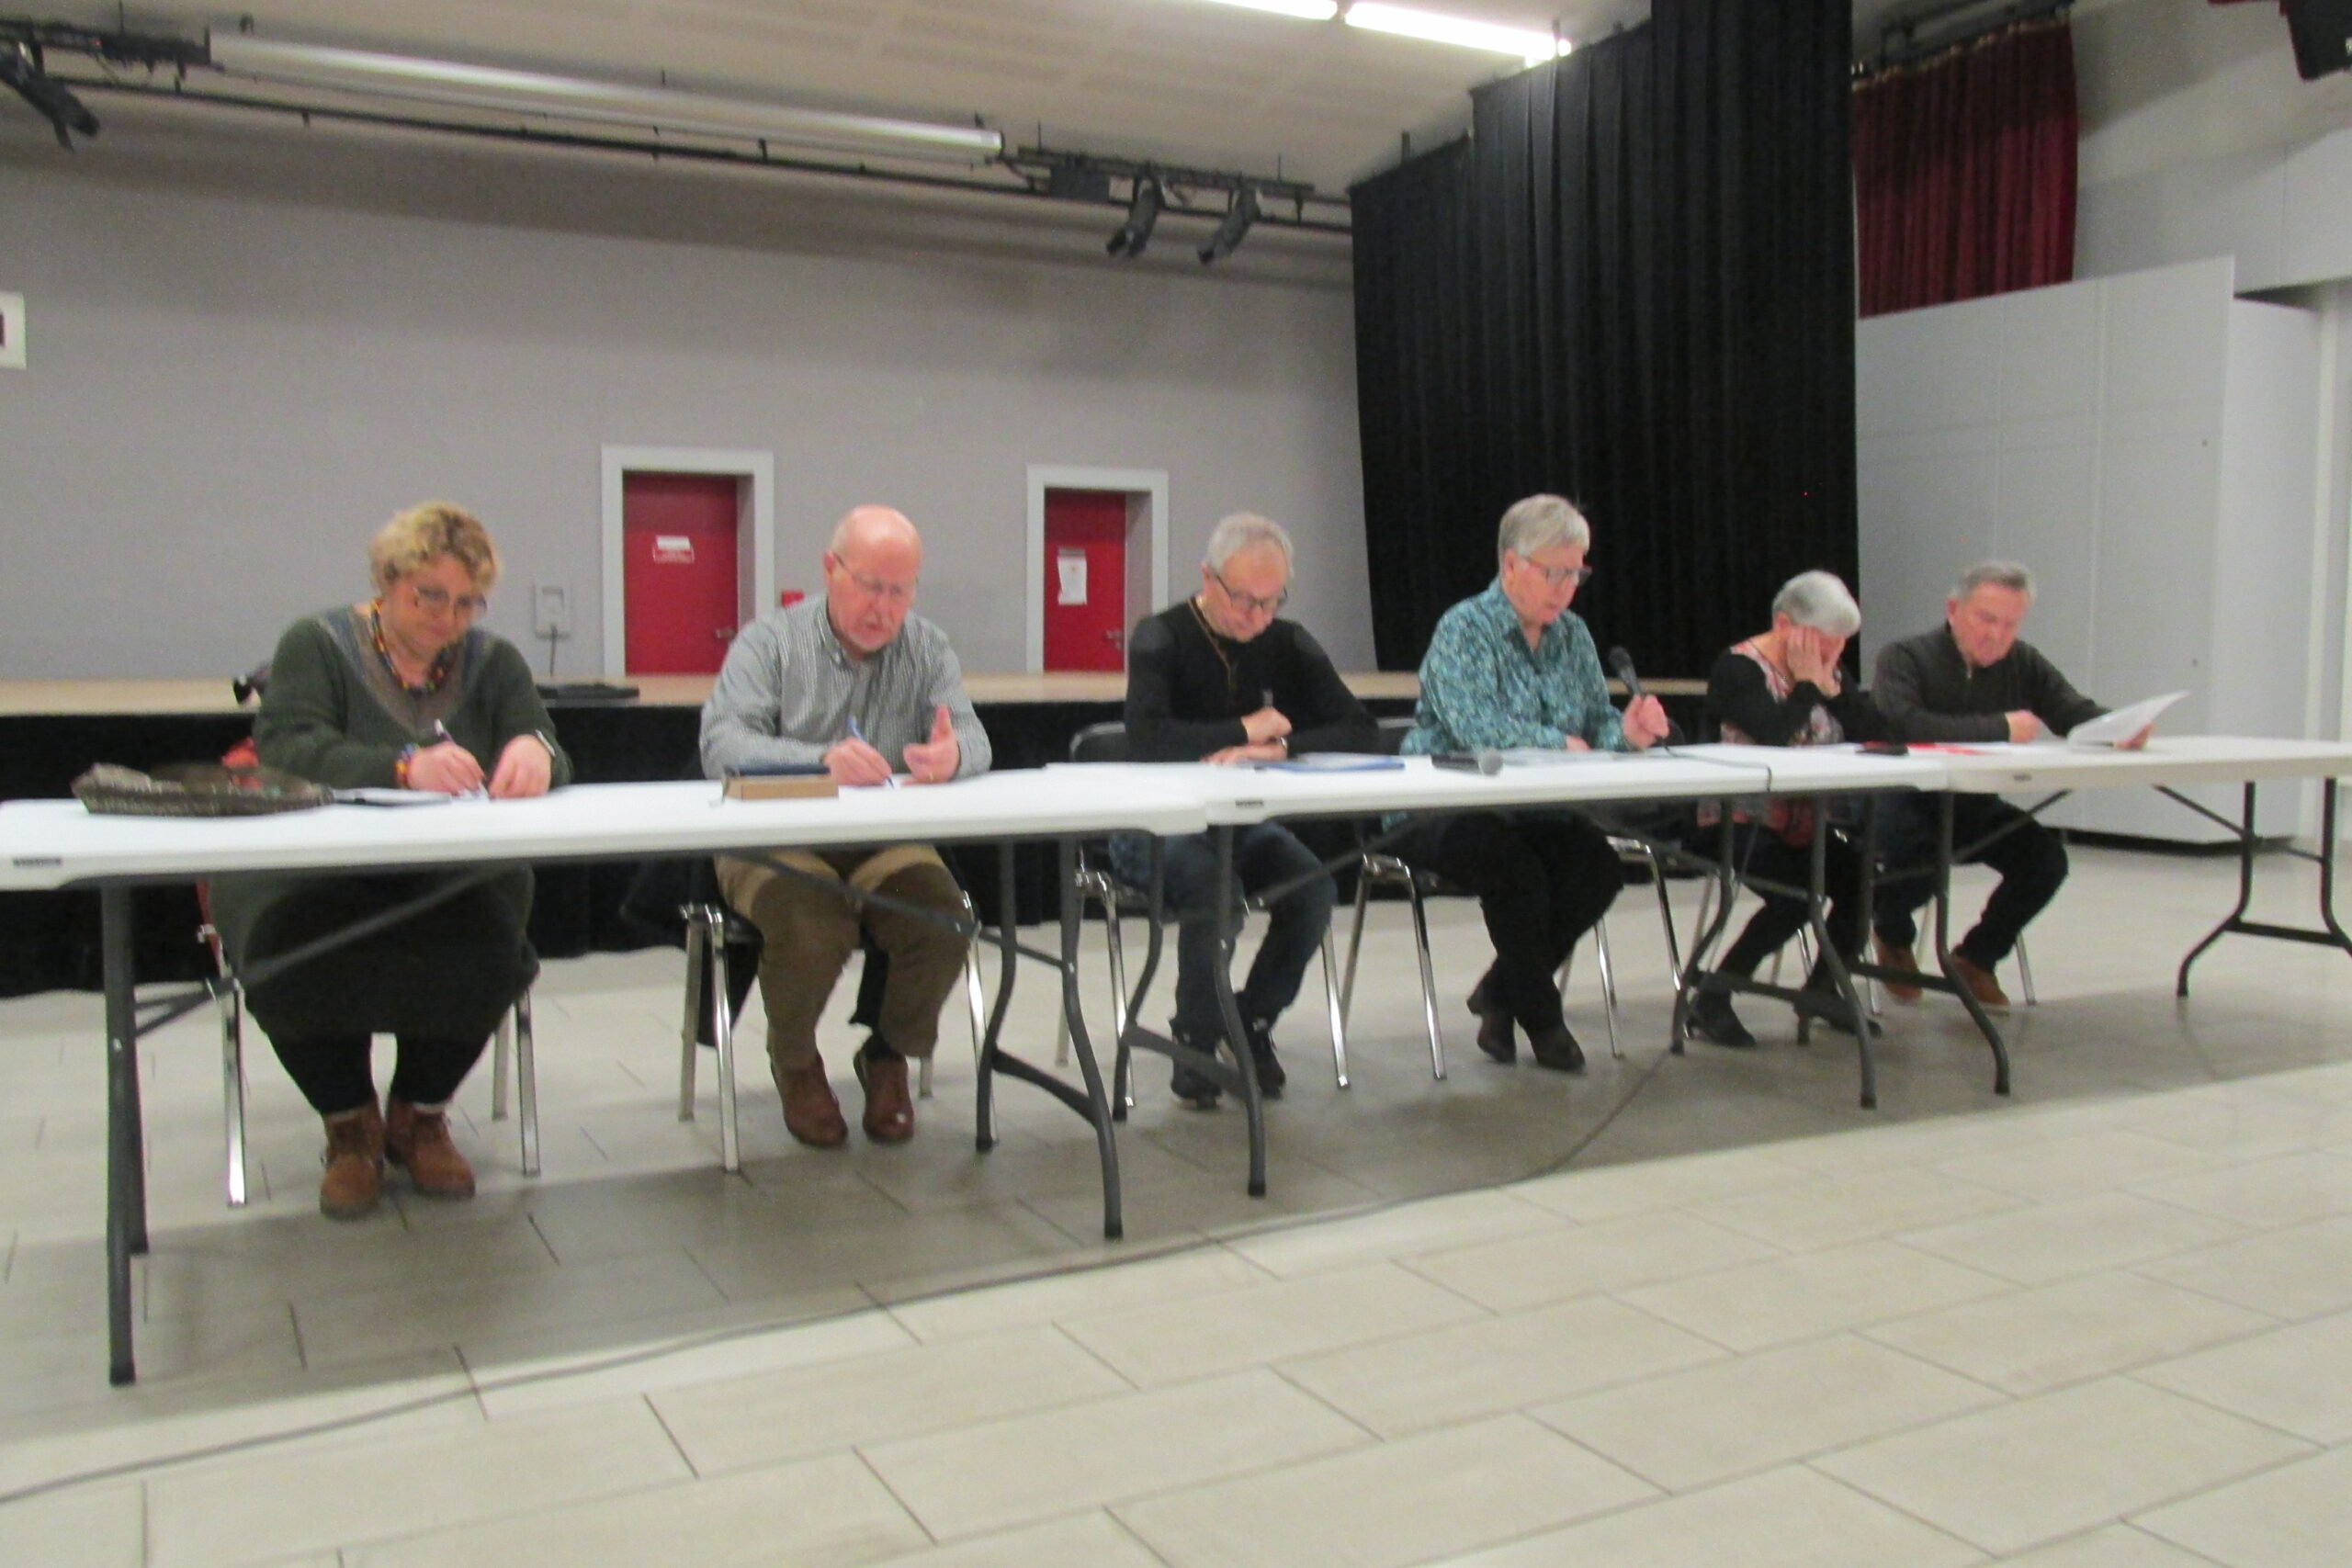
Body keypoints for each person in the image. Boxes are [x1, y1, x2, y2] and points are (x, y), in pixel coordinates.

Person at [210, 502, 571, 1219]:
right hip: (313, 875)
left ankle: (419, 1114)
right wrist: (403, 767)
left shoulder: (493, 661)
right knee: (289, 955)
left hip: (448, 876)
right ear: (387, 581)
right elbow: (289, 748)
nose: (448, 617)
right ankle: (349, 1124)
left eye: (466, 602)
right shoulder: (317, 645)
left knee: (491, 947)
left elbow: (549, 745)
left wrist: (537, 751)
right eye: (429, 596)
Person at [701, 504, 990, 1148]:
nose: (883, 609)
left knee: (944, 919)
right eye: (869, 586)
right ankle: (795, 1061)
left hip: (881, 838)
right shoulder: (769, 642)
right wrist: (818, 760)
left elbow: (974, 735)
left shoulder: (927, 647)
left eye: (899, 592)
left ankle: (887, 1053)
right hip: (773, 838)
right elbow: (721, 742)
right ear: (831, 569)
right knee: (814, 925)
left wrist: (954, 755)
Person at [1397, 494, 1670, 1072]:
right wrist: (1561, 744)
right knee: (1515, 872)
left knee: (1597, 869)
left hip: (1533, 808)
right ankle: (1543, 1019)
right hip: (1443, 805)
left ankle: (1501, 993)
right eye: (1554, 572)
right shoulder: (1464, 628)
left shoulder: (1573, 635)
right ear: (1511, 564)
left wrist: (1627, 732)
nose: (1566, 588)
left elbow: (1595, 722)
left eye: (1576, 574)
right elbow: (1475, 728)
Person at [1115, 513, 1376, 1108]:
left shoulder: (1286, 641)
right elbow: (1147, 739)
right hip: (1156, 824)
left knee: (1313, 889)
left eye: (1271, 601)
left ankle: (1248, 1020)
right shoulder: (1160, 636)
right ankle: (1196, 1039)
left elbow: (1360, 728)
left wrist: (1283, 747)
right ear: (1208, 578)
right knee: (1216, 890)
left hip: (1240, 822)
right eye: (1243, 600)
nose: (1257, 616)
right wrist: (1243, 728)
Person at [1871, 559, 2149, 1006]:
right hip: (1905, 797)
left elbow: (2069, 709)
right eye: (1986, 619)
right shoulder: (1905, 657)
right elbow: (1905, 724)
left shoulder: (2022, 661)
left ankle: (1976, 957)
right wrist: (1999, 728)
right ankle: (1892, 933)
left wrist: (2119, 726)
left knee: (2044, 860)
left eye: (2010, 625)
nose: (1997, 635)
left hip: (1972, 802)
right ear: (1953, 610)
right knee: (1921, 858)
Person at [1687, 570, 1886, 1049]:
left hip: (1805, 822)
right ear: (1784, 625)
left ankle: (1822, 990)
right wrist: (1808, 686)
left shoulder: (1826, 668)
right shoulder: (1739, 669)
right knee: (1796, 895)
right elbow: (1774, 735)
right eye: (1824, 641)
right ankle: (1713, 997)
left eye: (1841, 644)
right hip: (1736, 821)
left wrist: (1834, 690)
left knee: (1862, 880)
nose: (1833, 654)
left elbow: (1876, 733)